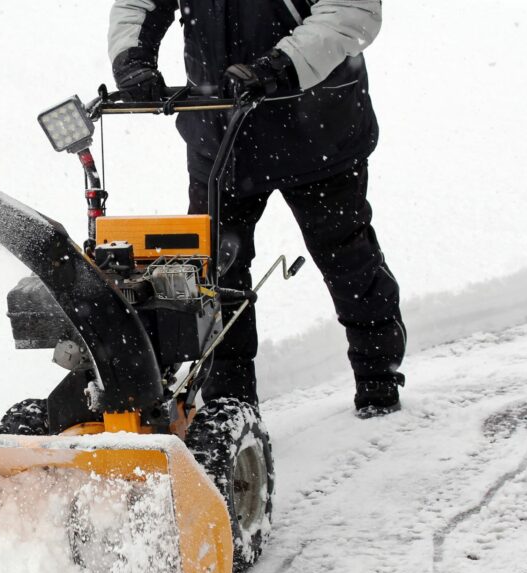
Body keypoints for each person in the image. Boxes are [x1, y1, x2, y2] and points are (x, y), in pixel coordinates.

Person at [108, 0, 406, 418]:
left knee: (347, 259)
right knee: (214, 276)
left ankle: (378, 377)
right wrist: (132, 58)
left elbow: (350, 11)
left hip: (317, 130)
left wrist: (280, 66)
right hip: (219, 134)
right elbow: (140, 4)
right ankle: (230, 406)